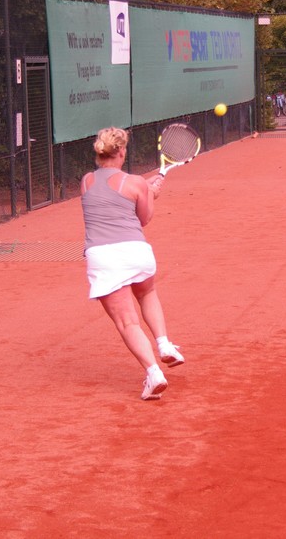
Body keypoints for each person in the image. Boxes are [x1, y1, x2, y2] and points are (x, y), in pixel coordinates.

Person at [80, 127, 185, 400]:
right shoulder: (137, 182)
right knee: (147, 293)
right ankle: (164, 345)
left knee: (128, 323)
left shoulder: (86, 181)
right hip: (137, 253)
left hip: (104, 258)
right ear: (122, 151)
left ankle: (154, 373)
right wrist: (149, 193)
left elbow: (111, 198)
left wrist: (146, 190)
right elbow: (143, 218)